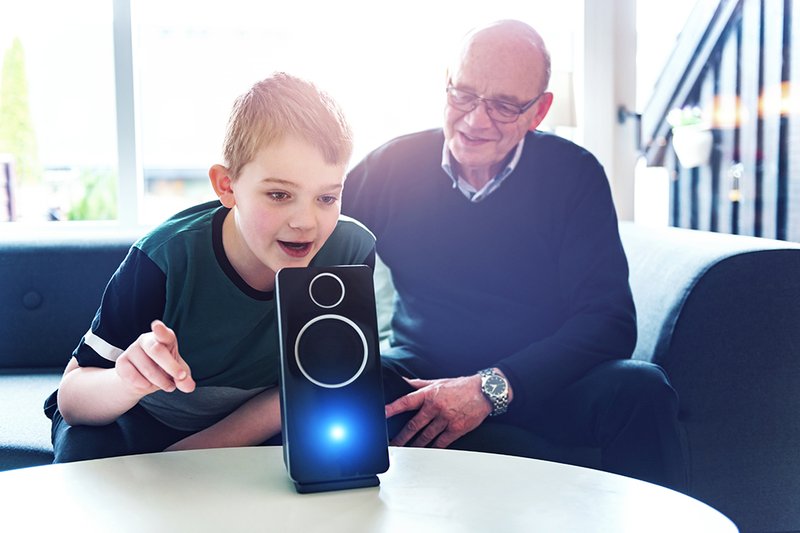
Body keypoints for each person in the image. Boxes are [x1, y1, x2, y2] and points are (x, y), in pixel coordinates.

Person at [343, 20, 687, 491]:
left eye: (504, 105)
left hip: (541, 384)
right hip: (421, 378)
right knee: (347, 384)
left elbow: (609, 323)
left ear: (539, 111)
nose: (475, 121)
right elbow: (318, 268)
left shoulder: (574, 174)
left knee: (641, 389)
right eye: (462, 95)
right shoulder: (388, 168)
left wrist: (490, 389)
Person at [44, 72, 376, 462]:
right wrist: (127, 380)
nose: (306, 221)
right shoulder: (164, 258)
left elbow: (309, 384)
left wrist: (188, 458)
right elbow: (73, 399)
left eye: (326, 198)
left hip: (257, 420)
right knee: (85, 462)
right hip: (138, 415)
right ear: (227, 186)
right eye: (279, 194)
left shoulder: (350, 251)